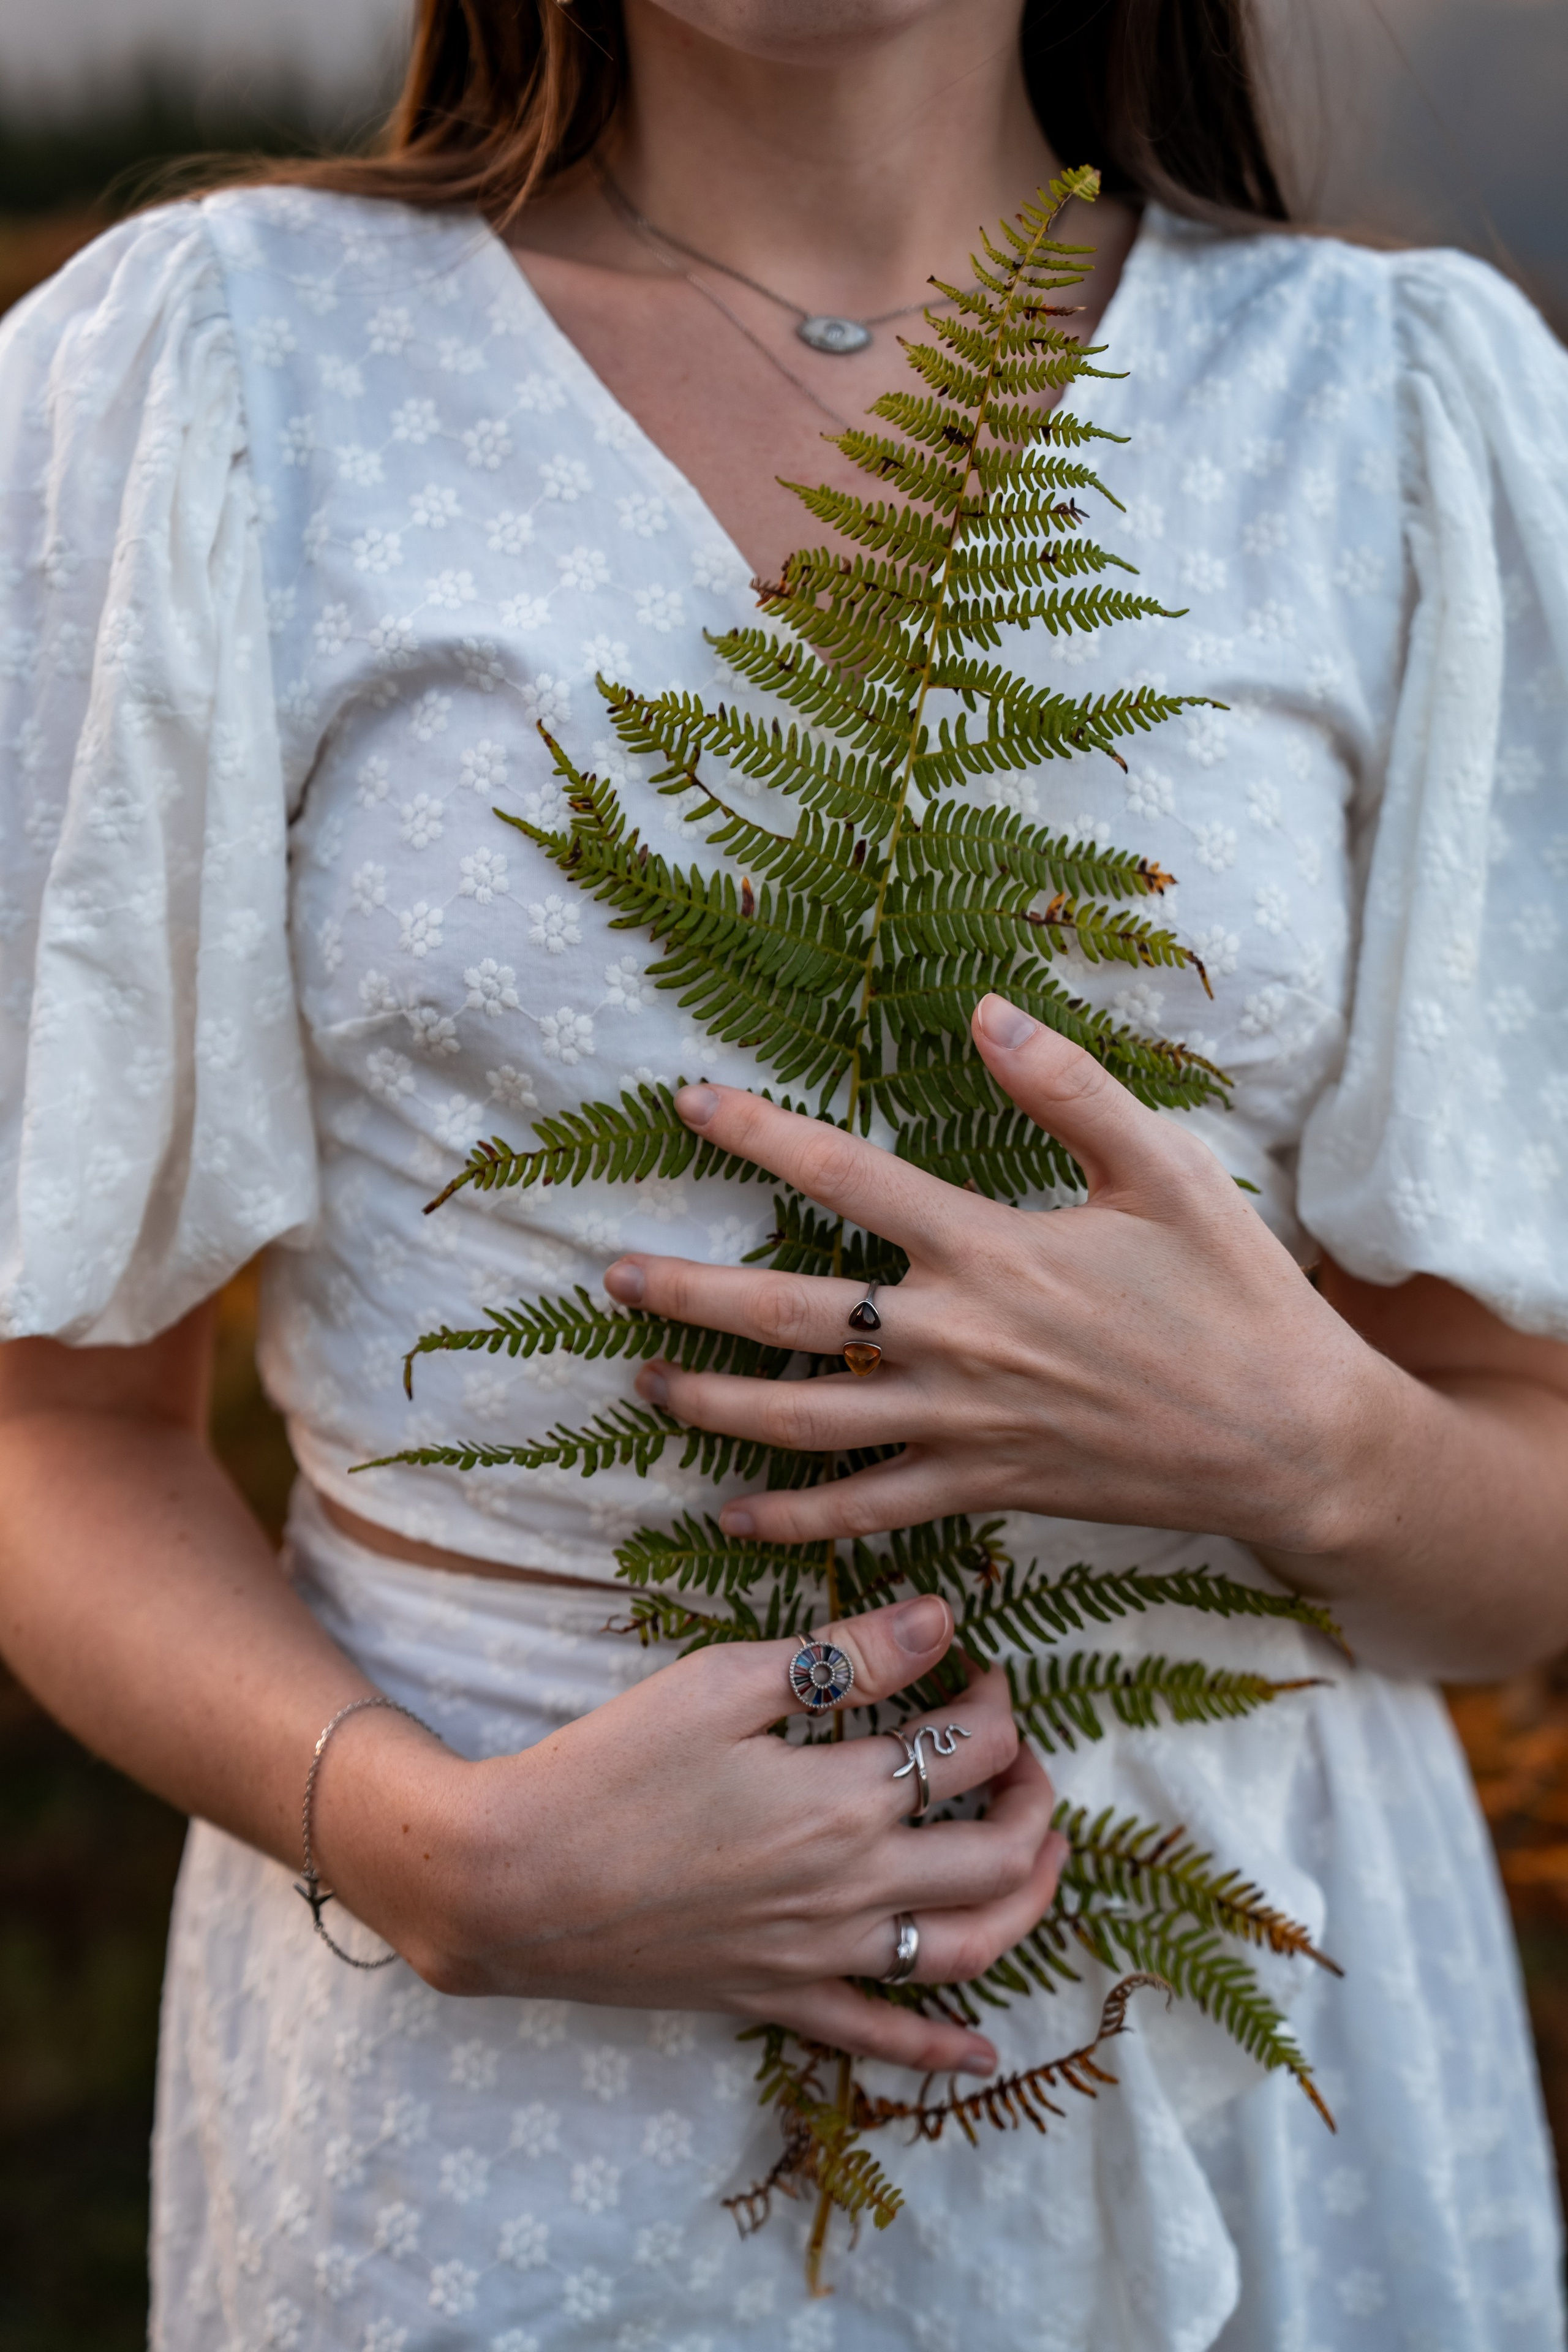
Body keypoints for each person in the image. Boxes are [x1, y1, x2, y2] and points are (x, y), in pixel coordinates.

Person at [1, 0, 1565, 2345]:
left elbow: (1517, 1512)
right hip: (489, 2083)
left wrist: (1303, 1441)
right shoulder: (207, 372)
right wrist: (443, 1858)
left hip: (1246, 2012)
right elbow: (53, 1420)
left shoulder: (1406, 409)